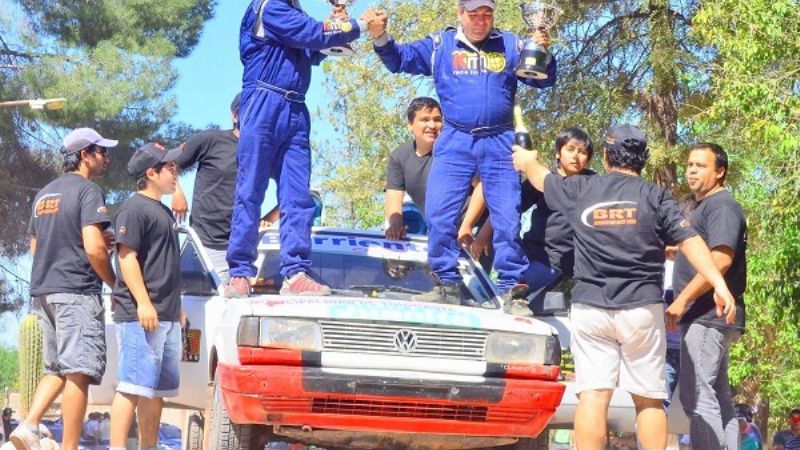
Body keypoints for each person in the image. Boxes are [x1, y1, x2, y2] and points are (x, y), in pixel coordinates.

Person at [511, 124, 737, 450]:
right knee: (648, 400)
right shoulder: (656, 196)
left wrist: (526, 157)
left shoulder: (582, 190)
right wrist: (719, 284)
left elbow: (540, 176)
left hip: (590, 309)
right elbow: (690, 240)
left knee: (592, 396)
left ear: (604, 155)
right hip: (641, 310)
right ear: (643, 159)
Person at [368, 0, 557, 304]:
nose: (481, 21)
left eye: (487, 14)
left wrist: (544, 55)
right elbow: (398, 59)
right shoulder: (440, 45)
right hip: (456, 139)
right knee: (439, 214)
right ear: (460, 14)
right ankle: (446, 283)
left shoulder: (510, 44)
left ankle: (512, 290)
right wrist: (380, 36)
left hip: (499, 139)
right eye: (474, 14)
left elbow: (544, 81)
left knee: (507, 218)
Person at [225, 0, 381, 297]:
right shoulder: (270, 7)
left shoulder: (294, 10)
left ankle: (296, 272)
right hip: (262, 100)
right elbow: (313, 33)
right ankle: (240, 273)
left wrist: (337, 25)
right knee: (250, 190)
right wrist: (356, 26)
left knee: (297, 196)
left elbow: (313, 48)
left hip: (295, 106)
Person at [11, 128, 118, 450]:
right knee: (79, 373)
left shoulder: (44, 194)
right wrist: (115, 284)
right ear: (85, 154)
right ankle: (69, 447)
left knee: (56, 368)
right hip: (76, 292)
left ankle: (27, 427)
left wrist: (72, 251)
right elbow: (94, 249)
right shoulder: (88, 191)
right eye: (102, 151)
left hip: (45, 290)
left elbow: (36, 244)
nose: (107, 157)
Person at [666, 143, 747, 450]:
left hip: (706, 316)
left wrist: (682, 299)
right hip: (712, 318)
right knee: (718, 395)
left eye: (701, 165)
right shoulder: (706, 208)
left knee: (696, 394)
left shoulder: (721, 206)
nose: (692, 170)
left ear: (720, 171)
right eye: (689, 165)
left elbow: (722, 259)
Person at [473, 127, 595, 316]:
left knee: (506, 294)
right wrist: (483, 235)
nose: (576, 156)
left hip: (555, 262)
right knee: (498, 293)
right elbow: (509, 209)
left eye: (582, 152)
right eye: (570, 149)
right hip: (528, 254)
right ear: (557, 152)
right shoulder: (542, 179)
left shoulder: (593, 184)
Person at [109, 143, 183, 450]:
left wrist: (175, 309)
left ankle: (148, 446)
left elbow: (165, 264)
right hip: (140, 315)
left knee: (155, 390)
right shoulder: (133, 209)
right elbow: (126, 258)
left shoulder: (163, 211)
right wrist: (143, 302)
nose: (175, 172)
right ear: (150, 173)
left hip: (166, 314)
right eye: (169, 167)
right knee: (131, 386)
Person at [171, 93, 242, 284]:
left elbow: (290, 186)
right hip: (207, 245)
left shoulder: (264, 151)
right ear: (235, 116)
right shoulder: (211, 140)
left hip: (245, 249)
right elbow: (169, 162)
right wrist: (176, 192)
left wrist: (268, 219)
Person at [384, 96, 443, 240]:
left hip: (472, 232)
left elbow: (481, 187)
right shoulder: (399, 156)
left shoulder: (453, 151)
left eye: (437, 120)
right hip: (440, 234)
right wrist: (396, 226)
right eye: (425, 120)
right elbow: (393, 198)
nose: (432, 125)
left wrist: (468, 227)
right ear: (410, 124)